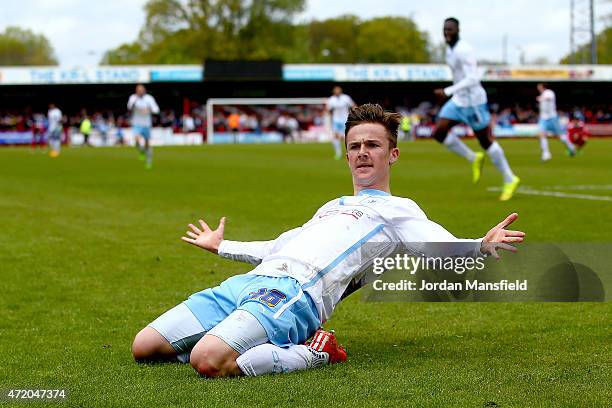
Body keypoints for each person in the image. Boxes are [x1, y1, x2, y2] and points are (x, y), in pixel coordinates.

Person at [131, 104, 525, 378]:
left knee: (207, 361)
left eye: (373, 145)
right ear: (346, 156)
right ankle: (250, 338)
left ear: (393, 154)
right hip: (250, 283)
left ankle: (316, 351)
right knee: (144, 347)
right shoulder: (332, 205)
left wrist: (479, 244)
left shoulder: (399, 210)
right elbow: (279, 245)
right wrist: (223, 246)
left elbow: (435, 243)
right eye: (355, 147)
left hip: (295, 294)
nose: (362, 153)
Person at [432, 17, 520, 201]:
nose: (447, 32)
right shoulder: (450, 50)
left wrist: (447, 91)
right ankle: (473, 158)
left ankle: (510, 178)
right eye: (444, 29)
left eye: (450, 29)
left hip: (473, 102)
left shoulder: (465, 50)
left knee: (485, 141)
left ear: (458, 30)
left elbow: (473, 78)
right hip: (459, 100)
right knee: (439, 132)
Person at [536, 83, 576, 161]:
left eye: (539, 86)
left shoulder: (549, 92)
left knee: (560, 136)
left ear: (543, 86)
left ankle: (571, 147)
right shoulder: (543, 94)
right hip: (543, 118)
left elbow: (549, 98)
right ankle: (546, 154)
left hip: (552, 118)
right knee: (541, 134)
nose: (538, 88)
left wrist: (542, 98)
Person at [127, 84, 160, 169]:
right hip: (136, 123)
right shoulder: (133, 98)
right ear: (136, 91)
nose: (140, 91)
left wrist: (149, 109)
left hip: (147, 124)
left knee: (147, 143)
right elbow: (129, 107)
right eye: (138, 90)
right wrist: (136, 105)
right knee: (136, 139)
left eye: (142, 90)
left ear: (144, 90)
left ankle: (148, 161)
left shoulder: (149, 98)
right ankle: (141, 151)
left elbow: (156, 109)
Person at [326, 86, 356, 160]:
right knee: (335, 136)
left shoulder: (346, 98)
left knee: (347, 137)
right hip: (336, 120)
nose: (337, 92)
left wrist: (356, 114)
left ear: (340, 91)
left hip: (345, 120)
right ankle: (338, 153)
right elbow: (328, 109)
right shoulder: (331, 100)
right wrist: (328, 116)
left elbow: (353, 106)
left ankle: (350, 152)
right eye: (335, 91)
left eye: (338, 90)